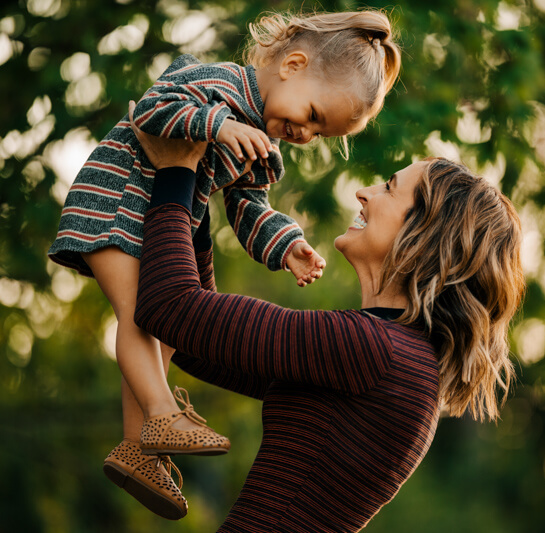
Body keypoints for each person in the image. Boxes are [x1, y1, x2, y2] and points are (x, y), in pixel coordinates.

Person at [46, 10, 402, 520]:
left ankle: (136, 449)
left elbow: (247, 206)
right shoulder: (216, 83)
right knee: (137, 314)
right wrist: (218, 124)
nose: (306, 133)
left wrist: (285, 245)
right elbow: (152, 108)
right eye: (314, 115)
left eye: (320, 133)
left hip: (159, 220)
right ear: (292, 65)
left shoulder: (264, 141)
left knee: (164, 331)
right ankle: (162, 415)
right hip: (118, 199)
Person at [128, 101, 527, 531]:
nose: (365, 192)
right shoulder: (391, 355)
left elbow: (167, 307)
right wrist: (198, 191)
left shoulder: (376, 350)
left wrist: (176, 172)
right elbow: (195, 345)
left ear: (424, 235)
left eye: (389, 188)